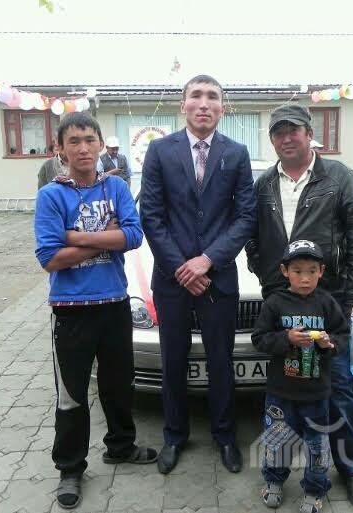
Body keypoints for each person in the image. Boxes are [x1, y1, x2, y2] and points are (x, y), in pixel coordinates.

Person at [246, 104, 353, 511]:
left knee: (340, 388)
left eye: (293, 130)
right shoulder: (264, 184)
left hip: (330, 297)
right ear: (272, 139)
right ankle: (277, 473)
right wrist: (269, 277)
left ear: (308, 133)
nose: (286, 138)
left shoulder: (337, 176)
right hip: (282, 302)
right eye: (278, 132)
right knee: (286, 392)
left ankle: (352, 470)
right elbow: (252, 237)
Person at [34, 112, 157, 510]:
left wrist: (77, 237)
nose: (83, 148)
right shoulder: (51, 196)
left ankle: (120, 446)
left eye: (90, 139)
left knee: (119, 385)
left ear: (101, 145)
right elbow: (50, 258)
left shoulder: (116, 187)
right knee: (71, 394)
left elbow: (133, 236)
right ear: (60, 149)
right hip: (70, 311)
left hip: (115, 305)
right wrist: (107, 237)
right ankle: (70, 467)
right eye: (74, 141)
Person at [139, 74, 256, 475]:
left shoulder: (237, 153)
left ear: (222, 108)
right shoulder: (159, 151)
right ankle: (174, 435)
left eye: (212, 97)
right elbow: (152, 216)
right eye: (196, 96)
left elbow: (245, 218)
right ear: (183, 105)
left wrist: (207, 261)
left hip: (217, 277)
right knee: (173, 359)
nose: (204, 103)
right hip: (171, 280)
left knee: (221, 360)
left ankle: (225, 436)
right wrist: (181, 268)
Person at [253, 240, 348, 513]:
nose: (305, 278)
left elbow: (342, 335)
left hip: (316, 393)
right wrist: (286, 339)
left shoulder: (326, 303)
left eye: (312, 271)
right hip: (280, 392)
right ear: (285, 271)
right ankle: (273, 480)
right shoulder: (275, 303)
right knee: (278, 440)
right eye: (297, 271)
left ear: (322, 271)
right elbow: (260, 338)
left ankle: (315, 489)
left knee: (317, 446)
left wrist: (329, 344)